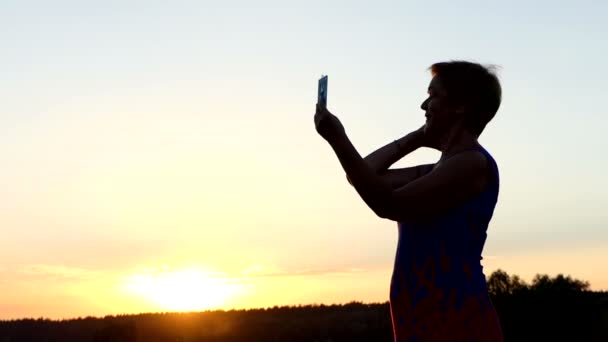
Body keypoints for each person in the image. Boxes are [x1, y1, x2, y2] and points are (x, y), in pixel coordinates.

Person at [314, 60, 504, 341]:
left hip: (456, 320)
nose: (424, 106)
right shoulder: (437, 170)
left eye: (433, 95)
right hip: (419, 319)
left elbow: (388, 204)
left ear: (461, 106)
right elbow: (362, 176)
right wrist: (416, 137)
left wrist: (337, 138)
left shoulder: (471, 165)